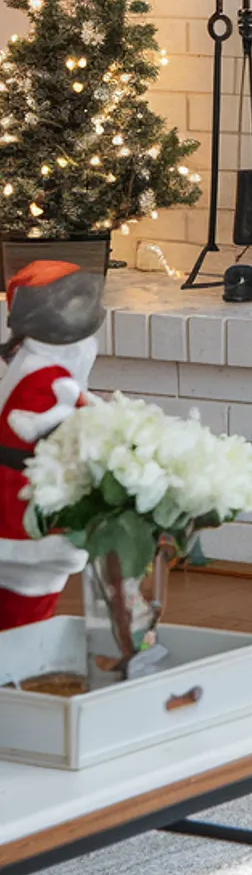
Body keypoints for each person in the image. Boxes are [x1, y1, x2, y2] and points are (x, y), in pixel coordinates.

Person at [0, 260, 104, 628]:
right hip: (24, 511)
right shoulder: (44, 379)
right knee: (25, 606)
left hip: (29, 502)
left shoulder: (41, 369)